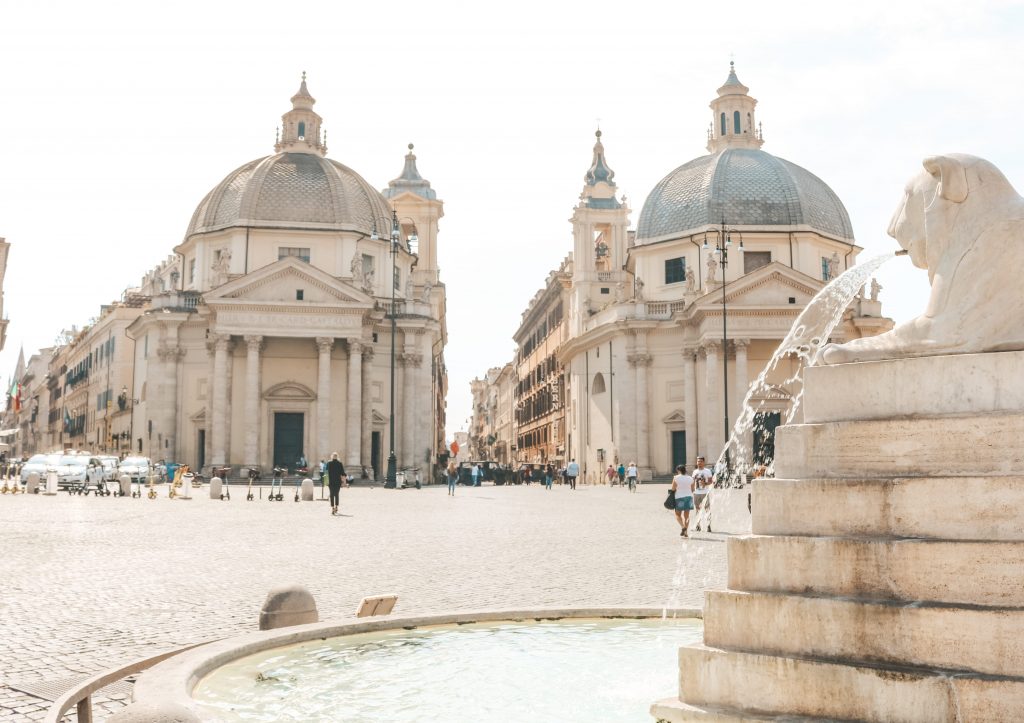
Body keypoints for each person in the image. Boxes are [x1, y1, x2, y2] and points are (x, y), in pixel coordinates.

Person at [671, 464, 695, 537]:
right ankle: (686, 532)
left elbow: (673, 489)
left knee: (677, 514)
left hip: (679, 497)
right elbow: (693, 489)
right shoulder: (691, 478)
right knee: (686, 516)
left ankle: (683, 527)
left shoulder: (676, 478)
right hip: (689, 497)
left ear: (678, 470)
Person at [692, 456, 714, 532]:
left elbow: (711, 481)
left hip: (705, 493)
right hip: (696, 493)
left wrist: (705, 483)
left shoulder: (707, 471)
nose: (699, 463)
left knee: (707, 509)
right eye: (698, 461)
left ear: (704, 462)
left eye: (701, 461)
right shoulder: (694, 471)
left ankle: (708, 526)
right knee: (697, 510)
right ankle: (698, 525)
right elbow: (692, 481)